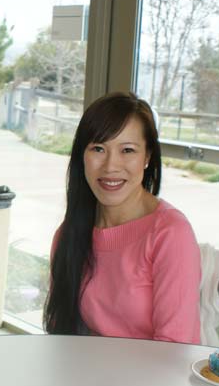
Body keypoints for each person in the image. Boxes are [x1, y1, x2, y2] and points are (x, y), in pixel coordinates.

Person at [44, 92, 201, 343]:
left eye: (127, 150)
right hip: (88, 376)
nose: (110, 166)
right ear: (81, 156)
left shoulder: (171, 233)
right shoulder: (69, 233)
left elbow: (174, 349)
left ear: (147, 157)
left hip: (156, 377)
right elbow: (60, 334)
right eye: (98, 148)